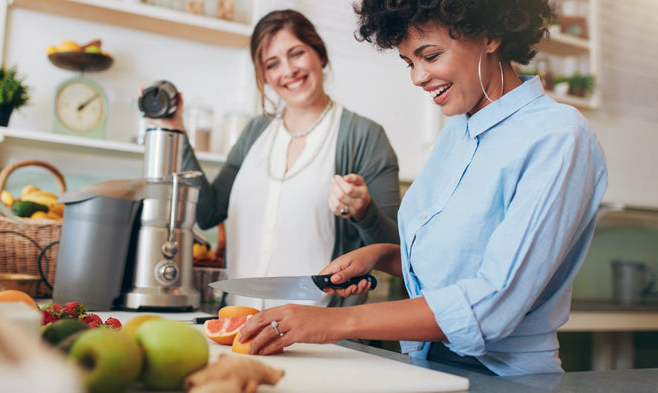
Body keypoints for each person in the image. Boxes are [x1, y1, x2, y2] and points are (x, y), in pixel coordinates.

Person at [239, 0, 608, 376]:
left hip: (506, 379)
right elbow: (453, 272)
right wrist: (383, 256)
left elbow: (493, 300)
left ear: (492, 35)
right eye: (409, 62)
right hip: (428, 366)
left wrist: (331, 324)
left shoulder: (558, 136)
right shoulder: (456, 135)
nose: (417, 77)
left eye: (429, 55)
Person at [147, 9, 401, 309]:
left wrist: (364, 211)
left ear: (319, 53)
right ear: (265, 75)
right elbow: (208, 211)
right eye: (273, 63)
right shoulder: (256, 131)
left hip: (321, 332)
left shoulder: (365, 136)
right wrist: (176, 131)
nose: (288, 70)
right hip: (240, 321)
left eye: (296, 54)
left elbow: (394, 248)